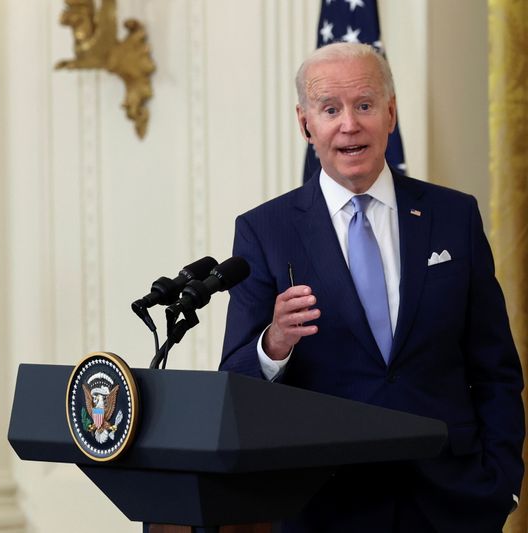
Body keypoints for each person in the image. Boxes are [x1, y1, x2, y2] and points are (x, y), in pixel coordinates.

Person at [220, 43, 524, 532]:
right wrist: (274, 343)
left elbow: (496, 369)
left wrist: (503, 484)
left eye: (364, 105)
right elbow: (233, 382)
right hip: (324, 506)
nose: (349, 124)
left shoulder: (454, 216)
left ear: (391, 112)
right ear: (305, 124)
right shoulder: (266, 231)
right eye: (330, 109)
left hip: (452, 501)